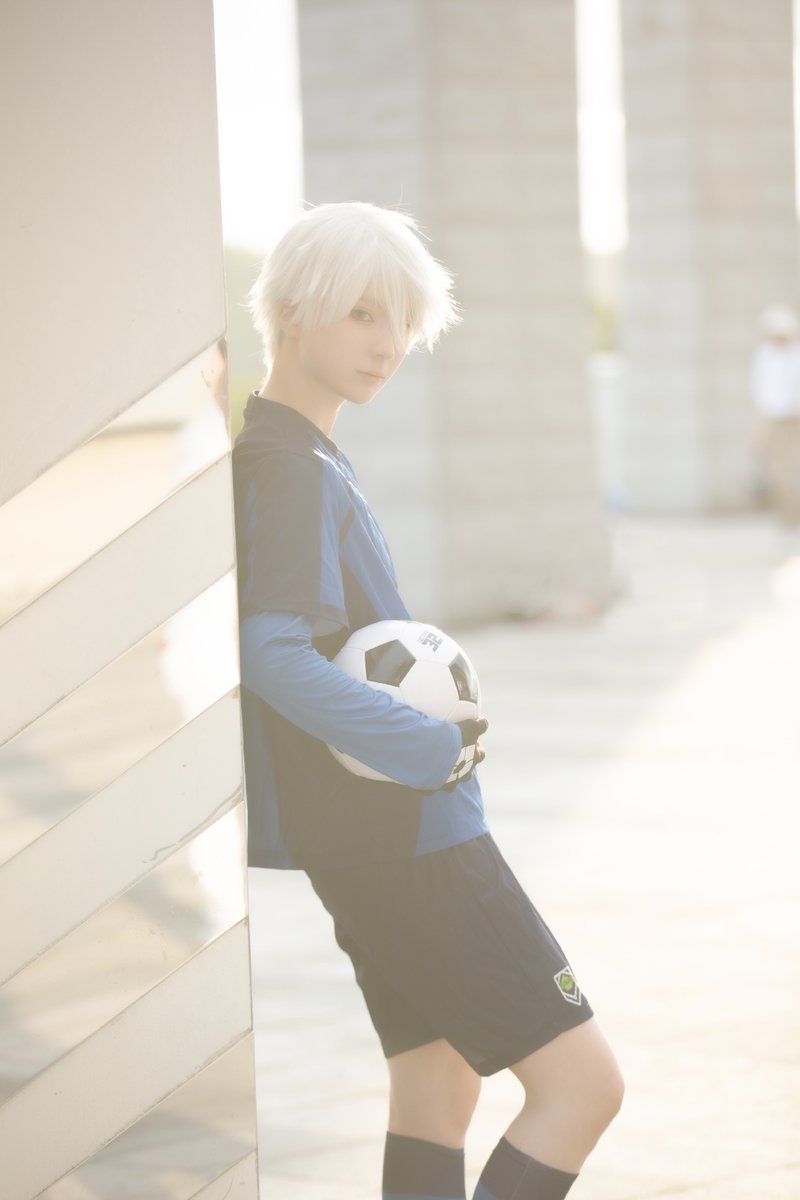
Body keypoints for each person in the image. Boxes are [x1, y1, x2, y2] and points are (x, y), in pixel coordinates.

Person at [232, 202, 623, 1200]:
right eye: (362, 314)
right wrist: (424, 745)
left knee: (436, 1087)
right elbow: (271, 652)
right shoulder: (289, 467)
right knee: (583, 1089)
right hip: (408, 839)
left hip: (368, 842)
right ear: (290, 312)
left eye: (401, 320)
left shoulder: (296, 452)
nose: (387, 344)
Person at [751, 303, 800, 529]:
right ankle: (786, 516)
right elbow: (760, 389)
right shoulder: (765, 355)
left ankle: (793, 516)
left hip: (792, 419)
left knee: (789, 468)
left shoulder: (795, 356)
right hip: (771, 418)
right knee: (775, 468)